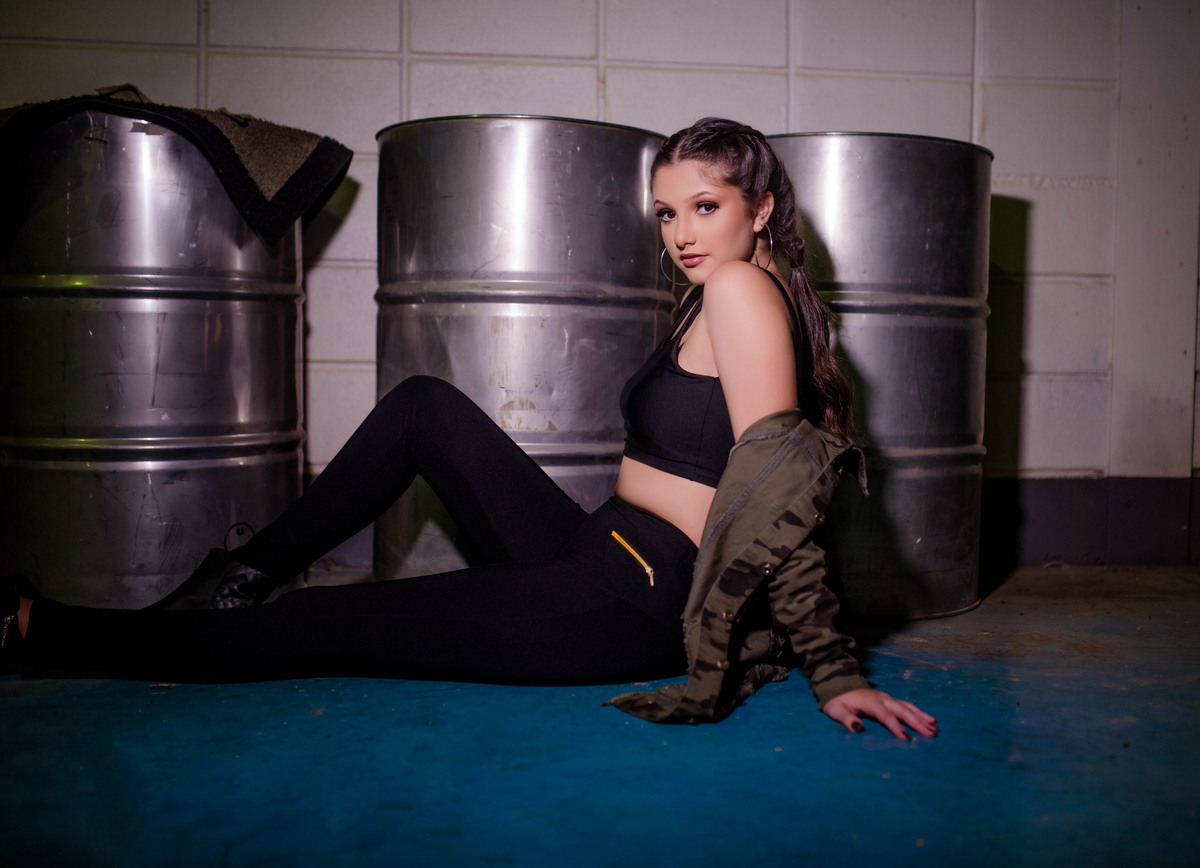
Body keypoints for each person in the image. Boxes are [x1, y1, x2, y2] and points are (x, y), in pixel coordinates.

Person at [1, 118, 937, 740]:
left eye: (706, 207)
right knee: (424, 408)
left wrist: (831, 670)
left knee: (320, 624)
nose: (682, 233)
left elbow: (777, 492)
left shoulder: (737, 289)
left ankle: (40, 629)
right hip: (602, 546)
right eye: (666, 212)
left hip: (633, 601)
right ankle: (240, 574)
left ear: (760, 208)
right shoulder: (719, 289)